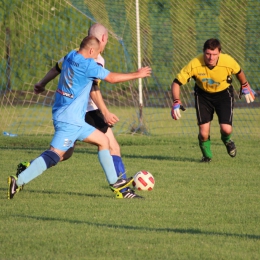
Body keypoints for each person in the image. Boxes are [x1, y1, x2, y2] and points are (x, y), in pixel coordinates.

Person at [7, 35, 152, 200]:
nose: (96, 56)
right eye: (96, 53)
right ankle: (18, 182)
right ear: (91, 50)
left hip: (73, 118)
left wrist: (42, 83)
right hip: (69, 120)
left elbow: (57, 68)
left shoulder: (70, 55)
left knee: (103, 141)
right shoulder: (89, 65)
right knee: (54, 155)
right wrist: (137, 74)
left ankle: (116, 185)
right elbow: (111, 78)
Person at [171, 38, 256, 162]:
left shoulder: (228, 61)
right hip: (203, 95)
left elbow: (238, 71)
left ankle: (227, 141)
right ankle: (207, 156)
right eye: (208, 54)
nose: (211, 57)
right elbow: (176, 83)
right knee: (204, 133)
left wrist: (244, 84)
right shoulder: (195, 63)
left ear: (219, 53)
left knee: (226, 129)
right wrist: (176, 101)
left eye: (214, 54)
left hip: (224, 94)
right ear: (203, 52)